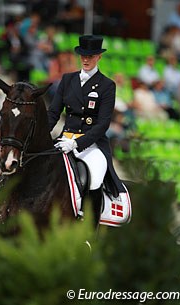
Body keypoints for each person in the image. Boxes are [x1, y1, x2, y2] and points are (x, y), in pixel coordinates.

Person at [47, 35, 127, 226]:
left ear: (98, 57)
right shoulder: (67, 80)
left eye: (90, 56)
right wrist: (43, 136)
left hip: (91, 145)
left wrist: (77, 143)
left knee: (95, 177)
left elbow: (103, 124)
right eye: (83, 55)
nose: (85, 59)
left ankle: (90, 231)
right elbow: (53, 114)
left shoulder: (107, 85)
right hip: (63, 139)